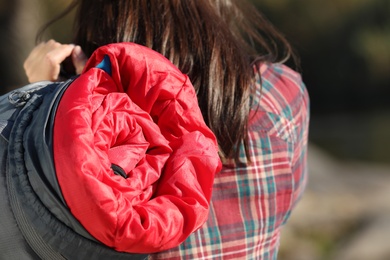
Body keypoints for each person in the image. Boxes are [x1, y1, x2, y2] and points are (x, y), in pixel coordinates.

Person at [23, 0, 310, 259]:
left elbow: (30, 231)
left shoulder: (73, 134)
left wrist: (41, 100)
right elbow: (286, 203)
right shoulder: (279, 95)